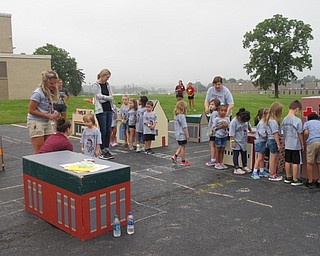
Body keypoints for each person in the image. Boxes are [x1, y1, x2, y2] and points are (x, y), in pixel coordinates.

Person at [27, 70, 59, 154]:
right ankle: (36, 166)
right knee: (39, 149)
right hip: (36, 122)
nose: (54, 86)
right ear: (45, 82)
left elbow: (47, 107)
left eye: (55, 83)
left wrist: (53, 112)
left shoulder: (49, 92)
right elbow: (31, 110)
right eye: (51, 84)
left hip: (46, 121)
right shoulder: (38, 93)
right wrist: (48, 116)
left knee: (49, 147)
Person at [92, 69, 114, 160]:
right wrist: (107, 98)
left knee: (108, 130)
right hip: (101, 110)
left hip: (109, 109)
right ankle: (102, 150)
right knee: (103, 130)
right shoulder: (95, 85)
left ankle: (106, 148)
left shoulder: (107, 85)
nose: (107, 79)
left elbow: (111, 97)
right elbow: (99, 98)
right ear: (102, 75)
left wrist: (106, 98)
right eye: (107, 77)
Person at [282, 100, 304, 186]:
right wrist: (302, 143)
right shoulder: (297, 120)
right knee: (296, 162)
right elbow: (300, 133)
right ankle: (295, 179)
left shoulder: (284, 119)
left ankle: (288, 177)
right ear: (297, 109)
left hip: (287, 143)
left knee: (288, 160)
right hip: (295, 144)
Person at [229, 108, 253, 175]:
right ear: (239, 117)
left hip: (243, 140)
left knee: (244, 153)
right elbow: (231, 133)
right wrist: (233, 141)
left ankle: (244, 166)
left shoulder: (245, 121)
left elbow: (248, 126)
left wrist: (251, 130)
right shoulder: (233, 122)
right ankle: (236, 168)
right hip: (236, 141)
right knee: (236, 154)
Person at [265, 102, 283, 181]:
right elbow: (275, 134)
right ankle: (272, 174)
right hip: (273, 141)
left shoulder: (269, 120)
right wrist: (279, 144)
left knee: (273, 158)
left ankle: (272, 173)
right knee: (273, 158)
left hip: (270, 140)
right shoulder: (273, 121)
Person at [251, 108, 269, 180]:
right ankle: (254, 171)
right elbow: (262, 133)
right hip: (260, 142)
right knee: (259, 157)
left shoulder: (264, 123)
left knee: (262, 157)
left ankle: (261, 170)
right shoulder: (261, 123)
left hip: (263, 142)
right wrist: (268, 134)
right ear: (264, 115)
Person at [303, 113, 320, 188]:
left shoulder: (307, 123)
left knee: (310, 162)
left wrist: (307, 140)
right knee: (319, 162)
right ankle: (319, 181)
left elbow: (306, 132)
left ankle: (310, 181)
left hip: (312, 142)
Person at [171, 100, 191, 166]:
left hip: (177, 134)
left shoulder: (176, 115)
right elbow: (184, 127)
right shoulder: (182, 116)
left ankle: (175, 156)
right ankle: (183, 161)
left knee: (181, 146)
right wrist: (187, 134)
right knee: (183, 148)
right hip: (182, 134)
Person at [212, 103, 230, 170]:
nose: (223, 112)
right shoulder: (216, 119)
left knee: (222, 149)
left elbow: (229, 127)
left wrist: (226, 126)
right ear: (218, 111)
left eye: (225, 111)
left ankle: (221, 162)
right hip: (218, 136)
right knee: (218, 149)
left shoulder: (227, 119)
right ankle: (217, 163)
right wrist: (220, 126)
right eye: (222, 110)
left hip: (224, 136)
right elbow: (214, 128)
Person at [206, 98, 220, 167]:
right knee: (214, 146)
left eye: (212, 104)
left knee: (212, 146)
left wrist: (210, 131)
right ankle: (214, 158)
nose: (210, 106)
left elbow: (213, 123)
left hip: (213, 133)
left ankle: (213, 159)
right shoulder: (215, 113)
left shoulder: (214, 113)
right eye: (210, 104)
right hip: (215, 132)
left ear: (216, 106)